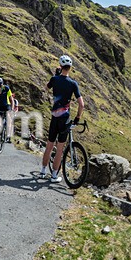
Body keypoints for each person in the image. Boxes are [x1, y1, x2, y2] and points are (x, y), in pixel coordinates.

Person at [41, 55, 85, 183]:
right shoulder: (73, 84)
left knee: (49, 145)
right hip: (65, 118)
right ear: (70, 68)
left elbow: (45, 88)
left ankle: (43, 172)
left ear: (60, 67)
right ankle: (54, 175)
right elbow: (82, 104)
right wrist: (77, 118)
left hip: (55, 117)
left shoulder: (54, 79)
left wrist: (55, 77)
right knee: (60, 148)